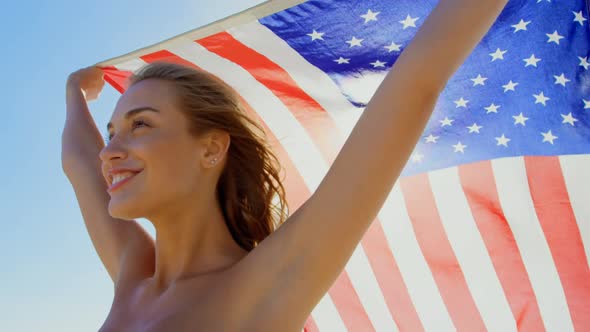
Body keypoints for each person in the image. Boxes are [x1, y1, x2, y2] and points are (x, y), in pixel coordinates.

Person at [62, 0, 509, 330]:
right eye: (112, 130)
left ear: (211, 148)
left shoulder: (264, 285)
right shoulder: (133, 273)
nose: (110, 151)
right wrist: (73, 92)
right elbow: (81, 162)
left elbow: (414, 86)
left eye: (140, 124)